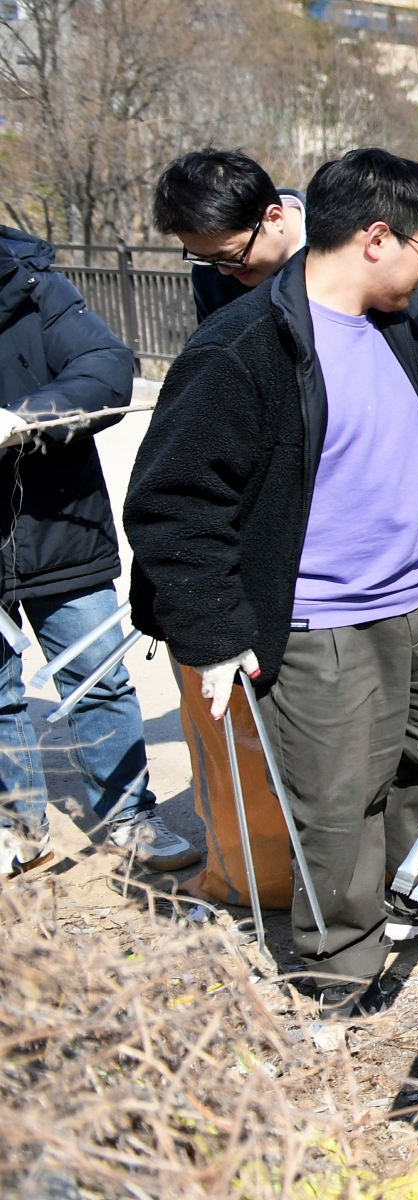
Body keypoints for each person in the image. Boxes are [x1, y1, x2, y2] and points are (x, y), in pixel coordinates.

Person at [125, 149, 418, 1016]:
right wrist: (214, 631)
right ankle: (341, 964)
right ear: (377, 238)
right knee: (337, 803)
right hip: (319, 618)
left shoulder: (395, 321)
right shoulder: (244, 346)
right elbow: (171, 502)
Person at [0, 226, 199, 875]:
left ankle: (126, 815)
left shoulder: (33, 288)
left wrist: (27, 417)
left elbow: (107, 369)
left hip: (61, 527)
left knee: (97, 684)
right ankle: (18, 828)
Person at [151, 147, 418, 471]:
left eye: (233, 255)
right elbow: (221, 380)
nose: (222, 271)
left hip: (405, 468)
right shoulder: (211, 274)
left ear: (274, 218)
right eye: (207, 260)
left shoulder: (355, 239)